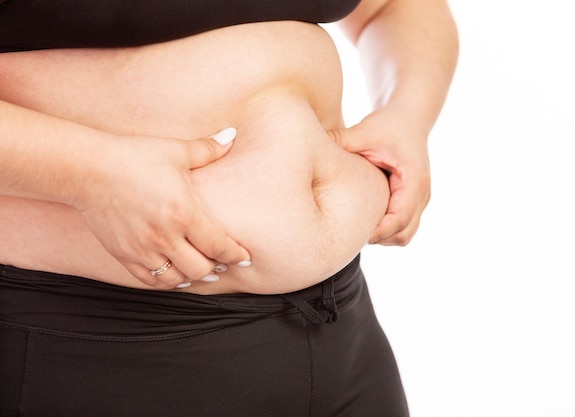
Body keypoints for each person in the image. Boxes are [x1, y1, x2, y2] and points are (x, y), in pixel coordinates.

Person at [0, 0, 458, 415]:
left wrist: (407, 115)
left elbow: (393, 7)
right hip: (108, 344)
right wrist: (89, 174)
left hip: (342, 329)